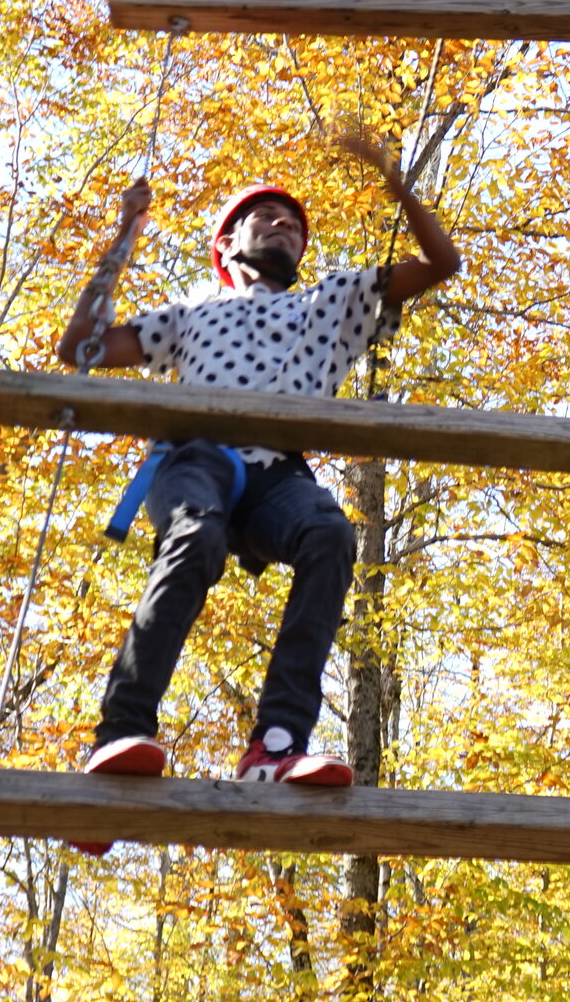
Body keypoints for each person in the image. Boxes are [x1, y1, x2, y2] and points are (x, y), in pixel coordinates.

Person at [59, 133, 460, 816]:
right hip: (198, 459)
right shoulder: (188, 314)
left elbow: (440, 262)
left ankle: (276, 742)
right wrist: (125, 233)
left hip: (278, 474)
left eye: (296, 227)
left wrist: (394, 179)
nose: (286, 228)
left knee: (330, 534)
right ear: (228, 240)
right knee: (194, 538)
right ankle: (122, 728)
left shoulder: (333, 305)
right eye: (267, 217)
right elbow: (81, 348)